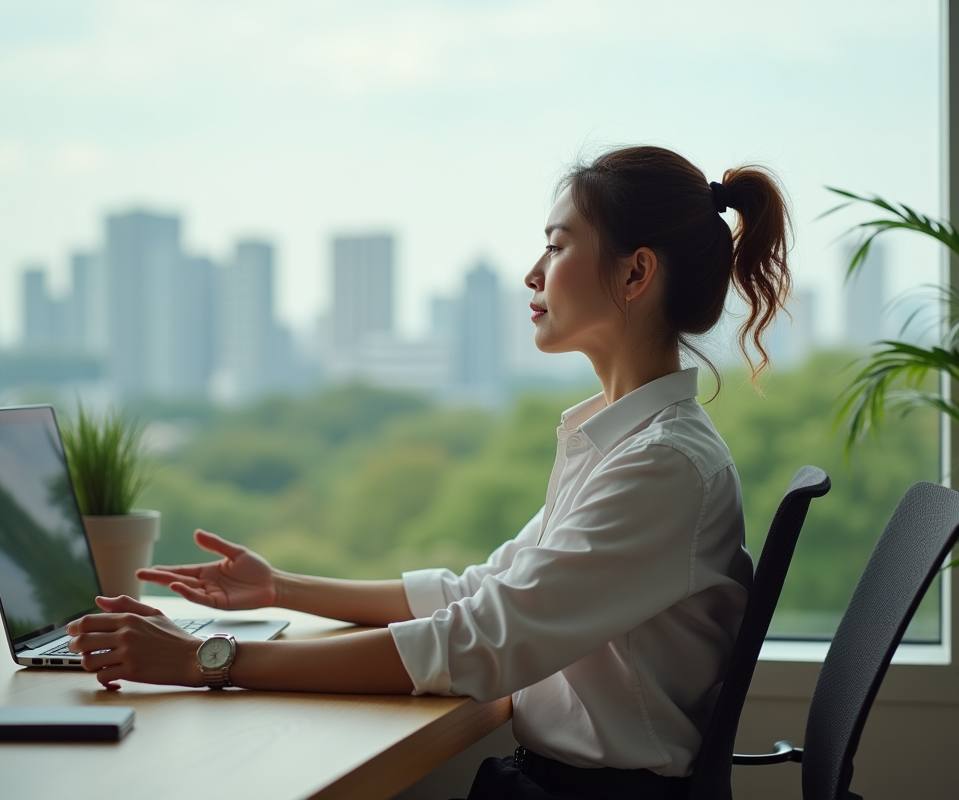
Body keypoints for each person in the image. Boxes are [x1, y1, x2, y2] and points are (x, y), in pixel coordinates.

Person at [66, 144, 792, 800]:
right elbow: (479, 593)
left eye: (558, 246)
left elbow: (476, 639)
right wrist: (281, 587)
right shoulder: (619, 443)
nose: (533, 273)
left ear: (635, 272)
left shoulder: (663, 466)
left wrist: (206, 660)